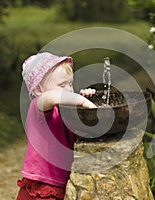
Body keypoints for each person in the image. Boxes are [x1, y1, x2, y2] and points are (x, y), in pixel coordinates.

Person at [17, 52, 96, 200]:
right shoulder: (39, 107)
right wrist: (80, 100)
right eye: (61, 85)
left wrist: (85, 100)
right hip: (42, 183)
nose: (69, 90)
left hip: (60, 182)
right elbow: (51, 97)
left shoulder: (66, 112)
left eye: (70, 84)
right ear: (37, 90)